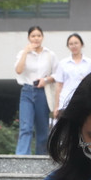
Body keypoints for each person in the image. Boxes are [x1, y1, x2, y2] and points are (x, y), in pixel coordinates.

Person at [14, 26, 57, 155]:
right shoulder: (23, 53)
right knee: (25, 126)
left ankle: (41, 156)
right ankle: (21, 157)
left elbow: (57, 75)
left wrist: (46, 80)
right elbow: (18, 70)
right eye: (33, 36)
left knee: (42, 128)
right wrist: (26, 52)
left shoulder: (50, 54)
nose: (36, 38)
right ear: (28, 38)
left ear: (42, 37)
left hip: (43, 91)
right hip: (27, 90)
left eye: (38, 35)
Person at [52, 33, 91, 119]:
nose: (74, 46)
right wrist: (56, 106)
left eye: (76, 43)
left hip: (84, 100)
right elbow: (59, 86)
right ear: (68, 46)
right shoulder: (63, 63)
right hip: (65, 100)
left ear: (81, 44)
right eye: (71, 44)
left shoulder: (90, 63)